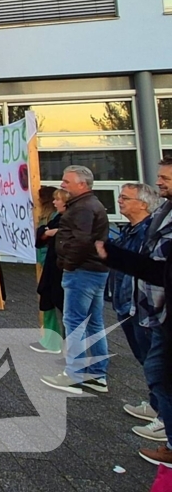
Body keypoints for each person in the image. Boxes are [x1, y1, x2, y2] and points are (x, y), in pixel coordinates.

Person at [96, 161, 172, 465]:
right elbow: (152, 268)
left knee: (158, 371)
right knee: (155, 369)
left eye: (165, 178)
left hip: (156, 309)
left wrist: (115, 256)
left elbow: (158, 269)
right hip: (150, 307)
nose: (160, 183)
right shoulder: (162, 215)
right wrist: (114, 255)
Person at [41, 165, 110, 395]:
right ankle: (97, 375)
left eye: (66, 181)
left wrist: (68, 264)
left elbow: (81, 241)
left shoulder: (83, 208)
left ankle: (74, 375)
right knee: (93, 323)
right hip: (93, 270)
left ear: (82, 184)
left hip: (82, 272)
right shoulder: (88, 205)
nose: (62, 185)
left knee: (75, 322)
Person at [109, 182, 161, 443]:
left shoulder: (149, 233)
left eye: (125, 198)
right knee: (145, 359)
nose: (120, 201)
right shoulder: (128, 231)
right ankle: (156, 405)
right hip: (126, 305)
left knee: (156, 363)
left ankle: (164, 418)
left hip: (143, 308)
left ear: (143, 203)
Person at [31, 187, 65, 353]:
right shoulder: (48, 214)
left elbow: (47, 237)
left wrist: (47, 234)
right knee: (48, 301)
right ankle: (51, 339)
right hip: (48, 259)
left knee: (54, 302)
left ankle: (54, 342)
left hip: (52, 262)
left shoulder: (55, 216)